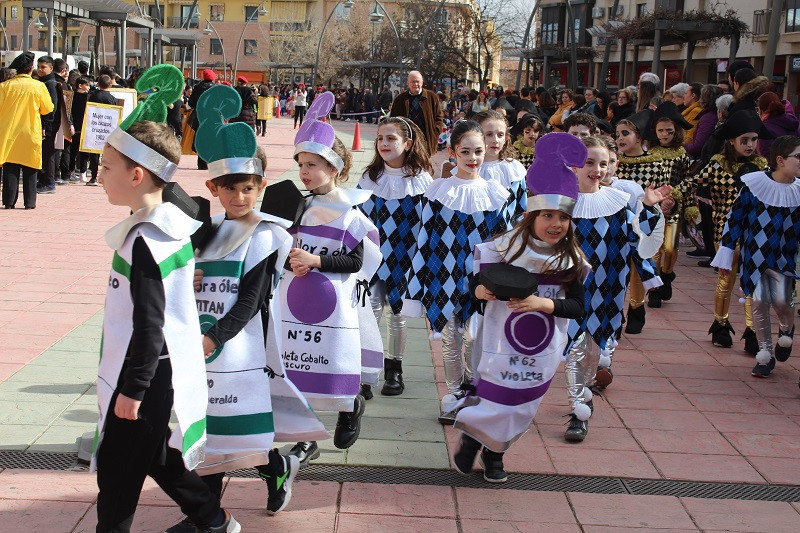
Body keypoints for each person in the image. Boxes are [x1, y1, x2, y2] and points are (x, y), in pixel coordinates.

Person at [165, 85, 328, 531]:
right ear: (214, 187)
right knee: (213, 431)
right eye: (231, 189)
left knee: (234, 426)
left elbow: (252, 300)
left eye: (249, 189)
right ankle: (212, 513)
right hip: (203, 345)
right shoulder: (204, 229)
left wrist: (214, 337)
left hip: (240, 348)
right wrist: (187, 276)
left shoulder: (265, 234)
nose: (241, 198)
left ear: (259, 187)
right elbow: (180, 277)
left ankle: (253, 483)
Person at [92, 64, 238, 533]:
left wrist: (132, 390)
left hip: (145, 375)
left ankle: (211, 521)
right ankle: (213, 520)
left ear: (137, 175)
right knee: (154, 456)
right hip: (159, 371)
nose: (98, 177)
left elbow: (148, 323)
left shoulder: (147, 238)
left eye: (105, 168)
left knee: (117, 477)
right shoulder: (171, 225)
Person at [452, 132, 588, 483]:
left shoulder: (571, 258)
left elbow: (577, 308)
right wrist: (481, 292)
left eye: (563, 217)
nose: (556, 224)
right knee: (495, 397)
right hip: (498, 342)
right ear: (530, 216)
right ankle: (478, 446)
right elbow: (475, 285)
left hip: (541, 349)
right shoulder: (503, 248)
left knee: (521, 406)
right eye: (547, 216)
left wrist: (541, 303)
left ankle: (492, 450)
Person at [279, 92, 382, 463]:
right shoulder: (298, 205)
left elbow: (356, 262)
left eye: (313, 164)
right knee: (298, 363)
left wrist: (317, 261)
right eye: (301, 163)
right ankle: (307, 439)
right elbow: (281, 248)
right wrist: (291, 263)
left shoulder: (350, 212)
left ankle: (348, 405)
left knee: (332, 360)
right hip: (295, 300)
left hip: (336, 305)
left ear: (335, 168)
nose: (304, 171)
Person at [404, 120, 511, 424]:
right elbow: (424, 238)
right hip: (443, 275)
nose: (473, 157)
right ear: (452, 152)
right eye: (465, 151)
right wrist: (418, 282)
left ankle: (473, 389)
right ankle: (453, 394)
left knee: (475, 338)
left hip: (482, 279)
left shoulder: (496, 194)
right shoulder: (437, 192)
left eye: (478, 151)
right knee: (450, 337)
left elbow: (503, 240)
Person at [565, 135, 666, 441]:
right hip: (568, 291)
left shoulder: (619, 204)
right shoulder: (560, 202)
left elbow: (640, 240)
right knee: (575, 349)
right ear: (574, 166)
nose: (596, 169)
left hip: (607, 290)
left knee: (594, 353)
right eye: (588, 163)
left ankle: (585, 391)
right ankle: (578, 410)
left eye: (602, 163)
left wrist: (648, 208)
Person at [711, 135, 800, 378]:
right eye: (798, 157)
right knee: (759, 302)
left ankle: (786, 329)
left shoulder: (799, 192)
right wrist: (727, 251)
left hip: (784, 259)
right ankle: (765, 354)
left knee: (782, 301)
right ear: (780, 161)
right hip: (755, 258)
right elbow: (735, 218)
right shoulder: (753, 185)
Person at [358, 117, 434, 398]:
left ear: (408, 143)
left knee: (398, 315)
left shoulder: (422, 180)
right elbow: (360, 218)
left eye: (391, 138)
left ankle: (395, 368)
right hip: (375, 257)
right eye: (380, 138)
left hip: (406, 257)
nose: (384, 144)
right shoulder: (369, 177)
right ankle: (366, 373)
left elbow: (427, 224)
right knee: (371, 311)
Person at [683, 110, 771, 350]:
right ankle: (720, 324)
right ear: (731, 140)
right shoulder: (717, 165)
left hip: (754, 232)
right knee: (726, 280)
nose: (750, 145)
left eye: (754, 139)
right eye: (745, 140)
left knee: (752, 282)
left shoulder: (762, 168)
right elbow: (690, 182)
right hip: (725, 233)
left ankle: (753, 330)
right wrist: (668, 196)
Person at [614, 110, 669, 333]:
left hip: (645, 223)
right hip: (618, 224)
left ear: (638, 137)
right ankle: (616, 311)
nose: (619, 138)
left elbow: (664, 196)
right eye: (617, 134)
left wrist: (665, 204)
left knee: (640, 264)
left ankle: (637, 308)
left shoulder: (655, 165)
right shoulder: (612, 161)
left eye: (625, 133)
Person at [645, 102, 693, 308]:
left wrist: (680, 198)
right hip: (655, 206)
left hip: (674, 205)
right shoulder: (649, 154)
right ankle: (654, 289)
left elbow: (688, 179)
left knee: (671, 247)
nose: (665, 135)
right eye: (661, 131)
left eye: (669, 131)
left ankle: (666, 274)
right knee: (655, 248)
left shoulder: (681, 154)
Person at [0, 52, 54, 209]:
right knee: (31, 167)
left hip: (9, 132)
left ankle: (9, 202)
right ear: (31, 69)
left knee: (10, 166)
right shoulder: (39, 86)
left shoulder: (4, 87)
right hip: (31, 132)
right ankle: (30, 202)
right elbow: (47, 109)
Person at [475, 110, 528, 222]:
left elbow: (521, 208)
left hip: (507, 235)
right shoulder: (470, 168)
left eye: (500, 135)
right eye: (489, 134)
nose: (495, 140)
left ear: (506, 138)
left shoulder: (514, 169)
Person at [390, 70, 444, 156]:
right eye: (412, 81)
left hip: (426, 138)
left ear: (422, 83)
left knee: (424, 165)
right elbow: (393, 120)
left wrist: (436, 131)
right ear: (408, 83)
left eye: (417, 81)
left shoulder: (432, 97)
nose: (415, 84)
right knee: (406, 165)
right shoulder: (400, 99)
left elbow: (439, 117)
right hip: (406, 139)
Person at [86, 75, 118, 186]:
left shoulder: (93, 96)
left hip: (95, 127)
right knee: (107, 154)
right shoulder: (112, 98)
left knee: (94, 154)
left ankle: (93, 178)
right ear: (110, 85)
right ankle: (108, 178)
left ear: (98, 84)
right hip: (107, 128)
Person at [36, 55, 60, 193]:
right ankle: (43, 180)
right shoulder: (44, 81)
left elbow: (52, 107)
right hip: (46, 124)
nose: (40, 69)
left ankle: (50, 183)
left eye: (43, 67)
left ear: (51, 68)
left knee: (49, 153)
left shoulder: (50, 83)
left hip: (49, 124)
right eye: (38, 67)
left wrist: (46, 125)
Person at [188, 69, 217, 170]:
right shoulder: (215, 88)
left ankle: (201, 164)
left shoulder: (197, 87)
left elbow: (191, 102)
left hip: (200, 116)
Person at [684, 85, 724, 158]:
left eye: (686, 93)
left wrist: (682, 145)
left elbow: (698, 147)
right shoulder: (714, 115)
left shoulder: (708, 118)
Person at [757, 92, 800, 157]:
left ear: (761, 110)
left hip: (777, 165)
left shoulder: (765, 128)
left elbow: (766, 154)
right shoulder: (793, 121)